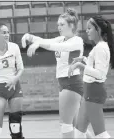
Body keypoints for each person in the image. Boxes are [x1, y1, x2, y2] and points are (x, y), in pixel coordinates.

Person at [21, 8, 93, 138]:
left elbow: (55, 47)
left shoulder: (77, 41)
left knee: (65, 125)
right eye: (58, 24)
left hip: (71, 83)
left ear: (71, 25)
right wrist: (29, 37)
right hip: (65, 83)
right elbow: (47, 41)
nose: (59, 27)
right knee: (78, 127)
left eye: (62, 24)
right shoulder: (62, 39)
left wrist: (37, 44)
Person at [69, 15, 114, 139]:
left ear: (99, 30)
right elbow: (95, 65)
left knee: (101, 134)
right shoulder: (99, 47)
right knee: (79, 131)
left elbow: (100, 73)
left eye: (89, 28)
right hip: (89, 93)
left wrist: (81, 66)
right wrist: (84, 59)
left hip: (94, 93)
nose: (87, 31)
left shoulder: (101, 48)